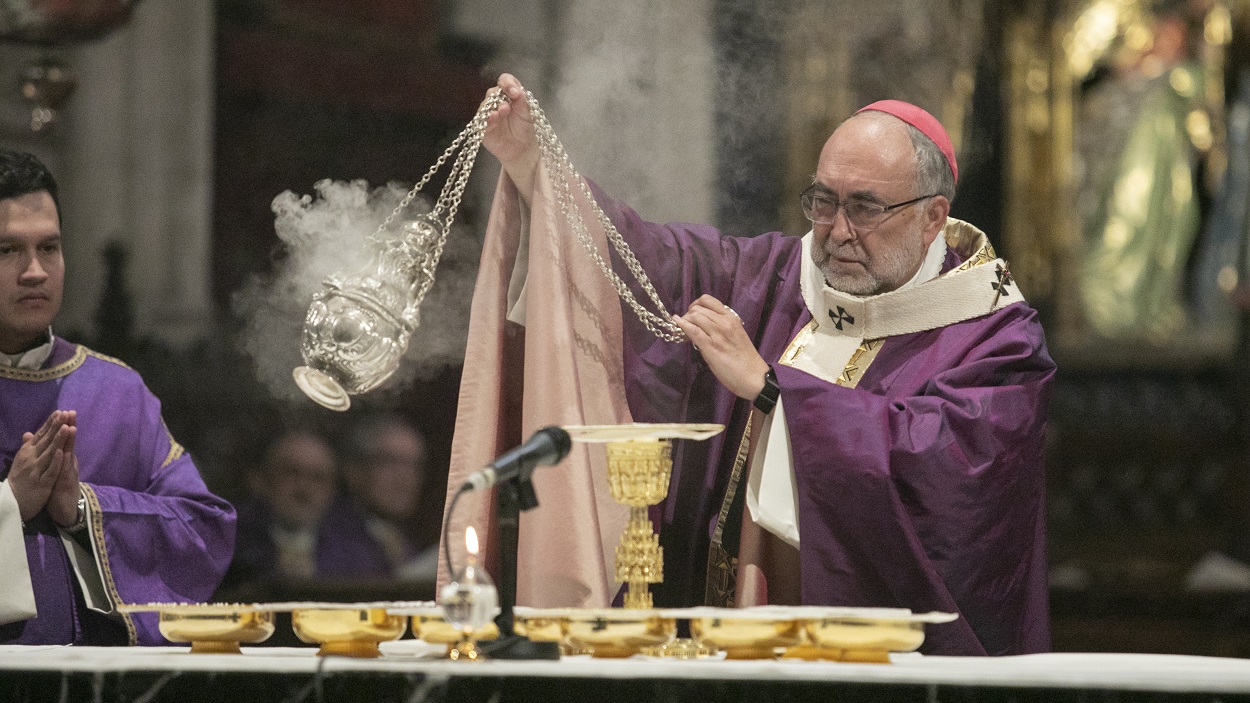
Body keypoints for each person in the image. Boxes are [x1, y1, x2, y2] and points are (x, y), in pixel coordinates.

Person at [446, 74, 1056, 656]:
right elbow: (653, 261)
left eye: (865, 208)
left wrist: (773, 392)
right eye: (823, 202)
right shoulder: (776, 281)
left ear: (932, 216)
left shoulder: (995, 338)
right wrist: (538, 168)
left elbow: (950, 484)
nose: (837, 232)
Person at [0, 149, 235, 645]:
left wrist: (82, 509)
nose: (36, 271)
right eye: (8, 250)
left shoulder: (115, 391)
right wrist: (10, 504)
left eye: (50, 247)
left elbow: (205, 531)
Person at [339, 415, 438, 582]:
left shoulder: (402, 542)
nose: (404, 477)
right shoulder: (332, 542)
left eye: (414, 466)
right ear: (354, 471)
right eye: (390, 461)